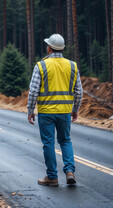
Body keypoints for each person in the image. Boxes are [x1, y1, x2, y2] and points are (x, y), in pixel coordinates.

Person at [27, 34, 83, 187]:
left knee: (48, 143)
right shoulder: (72, 65)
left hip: (46, 112)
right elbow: (79, 91)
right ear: (63, 48)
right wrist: (75, 109)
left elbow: (33, 91)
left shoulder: (41, 65)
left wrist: (30, 109)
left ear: (49, 48)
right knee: (65, 141)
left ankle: (52, 177)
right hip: (65, 111)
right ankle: (70, 171)